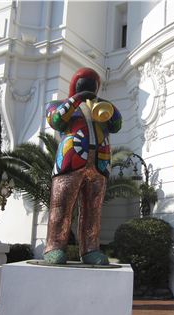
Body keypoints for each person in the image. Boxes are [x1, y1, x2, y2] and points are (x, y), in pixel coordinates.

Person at [43, 67, 122, 265]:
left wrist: (105, 106)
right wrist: (76, 99)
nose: (89, 87)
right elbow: (56, 120)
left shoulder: (100, 110)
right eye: (84, 82)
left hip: (98, 164)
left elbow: (117, 124)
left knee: (93, 209)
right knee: (61, 206)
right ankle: (54, 247)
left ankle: (90, 249)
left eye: (92, 84)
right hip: (70, 162)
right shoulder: (59, 104)